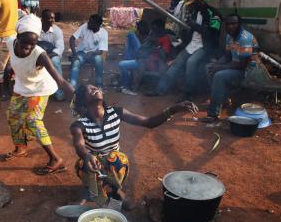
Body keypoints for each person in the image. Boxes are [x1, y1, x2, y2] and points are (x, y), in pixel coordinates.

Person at [70, 84, 198, 208]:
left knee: (118, 158)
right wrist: (86, 155)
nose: (95, 89)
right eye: (89, 89)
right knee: (82, 164)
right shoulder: (79, 125)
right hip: (94, 165)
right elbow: (79, 144)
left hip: (113, 165)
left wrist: (173, 109)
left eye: (96, 87)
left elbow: (148, 122)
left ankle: (115, 191)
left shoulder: (116, 113)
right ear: (83, 101)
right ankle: (92, 193)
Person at [5, 14, 74, 175]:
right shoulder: (10, 43)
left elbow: (60, 80)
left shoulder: (40, 54)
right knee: (13, 115)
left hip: (40, 89)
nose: (28, 47)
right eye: (24, 43)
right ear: (17, 37)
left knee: (33, 120)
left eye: (32, 44)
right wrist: (9, 69)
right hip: (22, 87)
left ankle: (56, 159)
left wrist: (76, 96)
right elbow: (11, 59)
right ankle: (21, 147)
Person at [151, 0, 221, 99]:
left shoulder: (213, 13)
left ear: (200, 1)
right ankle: (160, 89)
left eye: (192, 4)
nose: (190, 6)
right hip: (192, 44)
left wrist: (194, 25)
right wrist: (180, 42)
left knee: (191, 63)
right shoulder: (193, 12)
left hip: (205, 46)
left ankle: (188, 94)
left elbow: (213, 33)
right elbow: (189, 32)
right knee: (176, 63)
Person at [202, 14, 259, 122]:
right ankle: (223, 100)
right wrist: (216, 65)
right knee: (209, 68)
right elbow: (227, 56)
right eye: (228, 24)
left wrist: (219, 68)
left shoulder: (244, 38)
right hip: (236, 66)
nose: (230, 26)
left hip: (248, 72)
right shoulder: (230, 37)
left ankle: (213, 114)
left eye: (234, 24)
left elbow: (242, 65)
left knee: (219, 75)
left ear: (239, 24)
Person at [69, 14, 108, 89]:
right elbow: (72, 38)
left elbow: (101, 51)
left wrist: (92, 53)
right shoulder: (84, 26)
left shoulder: (104, 33)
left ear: (97, 25)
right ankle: (72, 87)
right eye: (89, 21)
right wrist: (75, 54)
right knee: (76, 62)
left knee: (98, 60)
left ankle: (99, 86)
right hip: (81, 52)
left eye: (91, 22)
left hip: (94, 54)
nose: (88, 23)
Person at [38, 9, 65, 101]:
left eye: (53, 18)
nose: (52, 20)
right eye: (50, 18)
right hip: (38, 55)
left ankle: (59, 91)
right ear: (43, 19)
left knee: (55, 61)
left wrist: (47, 57)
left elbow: (60, 48)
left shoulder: (57, 31)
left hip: (52, 55)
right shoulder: (36, 29)